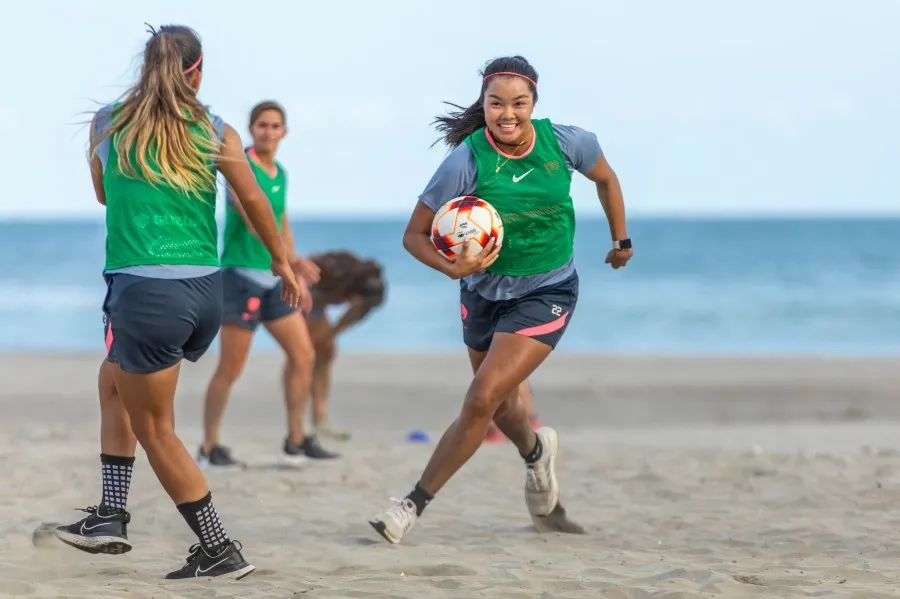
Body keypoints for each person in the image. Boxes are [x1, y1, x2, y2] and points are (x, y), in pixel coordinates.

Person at [52, 24, 302, 579]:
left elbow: (101, 193)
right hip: (204, 294)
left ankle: (218, 548)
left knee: (158, 430)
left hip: (145, 294)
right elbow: (253, 197)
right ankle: (111, 513)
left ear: (145, 68)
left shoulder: (107, 122)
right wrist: (282, 261)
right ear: (198, 70)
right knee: (112, 382)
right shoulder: (214, 128)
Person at [368, 55, 633, 543]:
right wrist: (453, 268)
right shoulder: (465, 161)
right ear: (483, 104)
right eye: (496, 103)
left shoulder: (567, 142)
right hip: (483, 294)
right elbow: (414, 235)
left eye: (518, 103)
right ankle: (536, 453)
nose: (507, 113)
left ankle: (410, 506)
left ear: (534, 103)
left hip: (548, 290)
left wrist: (621, 242)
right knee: (503, 403)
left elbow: (606, 179)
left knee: (481, 398)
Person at [197, 100, 338, 469]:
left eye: (275, 126)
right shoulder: (239, 164)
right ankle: (209, 447)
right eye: (262, 125)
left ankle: (296, 440)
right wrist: (287, 261)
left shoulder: (280, 173)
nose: (268, 132)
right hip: (240, 277)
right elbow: (250, 213)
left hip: (275, 279)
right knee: (231, 368)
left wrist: (295, 267)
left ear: (284, 132)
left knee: (304, 355)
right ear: (251, 129)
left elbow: (282, 221)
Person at [304, 251, 387, 440]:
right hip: (300, 289)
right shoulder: (334, 272)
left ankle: (320, 419)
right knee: (304, 355)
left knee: (326, 353)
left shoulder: (369, 288)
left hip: (318, 299)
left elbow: (354, 316)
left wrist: (331, 334)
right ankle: (301, 422)